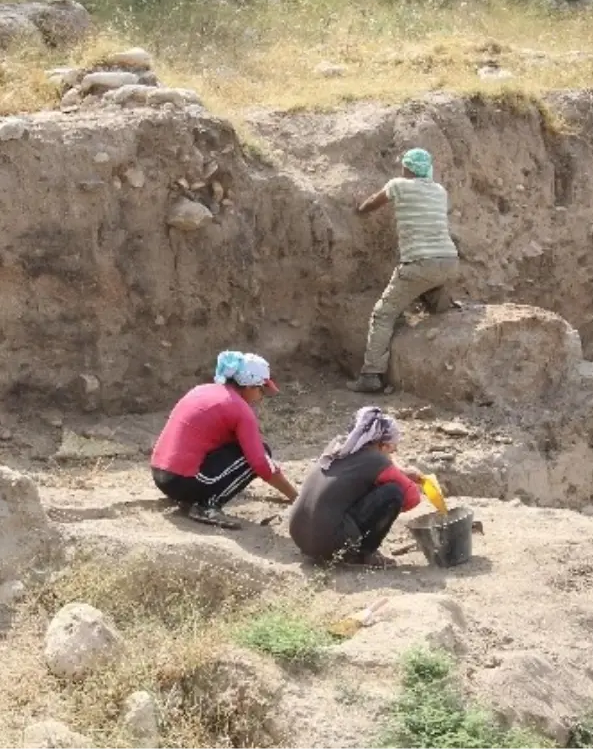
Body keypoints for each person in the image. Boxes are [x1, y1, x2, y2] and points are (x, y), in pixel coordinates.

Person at [348, 147, 460, 393]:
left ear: (407, 168)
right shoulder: (440, 191)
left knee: (383, 314)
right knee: (428, 289)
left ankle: (370, 375)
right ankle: (441, 304)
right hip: (449, 260)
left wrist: (356, 209)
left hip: (419, 263)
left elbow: (370, 205)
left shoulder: (399, 184)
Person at [151, 350, 299, 529]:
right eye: (261, 390)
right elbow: (260, 463)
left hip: (160, 474)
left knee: (240, 449)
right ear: (249, 386)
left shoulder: (202, 390)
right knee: (260, 452)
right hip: (181, 482)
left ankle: (192, 496)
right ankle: (204, 505)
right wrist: (295, 497)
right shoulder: (239, 409)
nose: (261, 398)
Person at [289, 406, 422, 567]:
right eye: (392, 449)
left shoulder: (337, 446)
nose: (392, 454)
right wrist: (403, 477)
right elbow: (412, 498)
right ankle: (364, 555)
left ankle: (329, 548)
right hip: (330, 544)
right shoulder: (376, 461)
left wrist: (401, 471)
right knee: (394, 493)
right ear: (383, 446)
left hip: (301, 537)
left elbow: (371, 465)